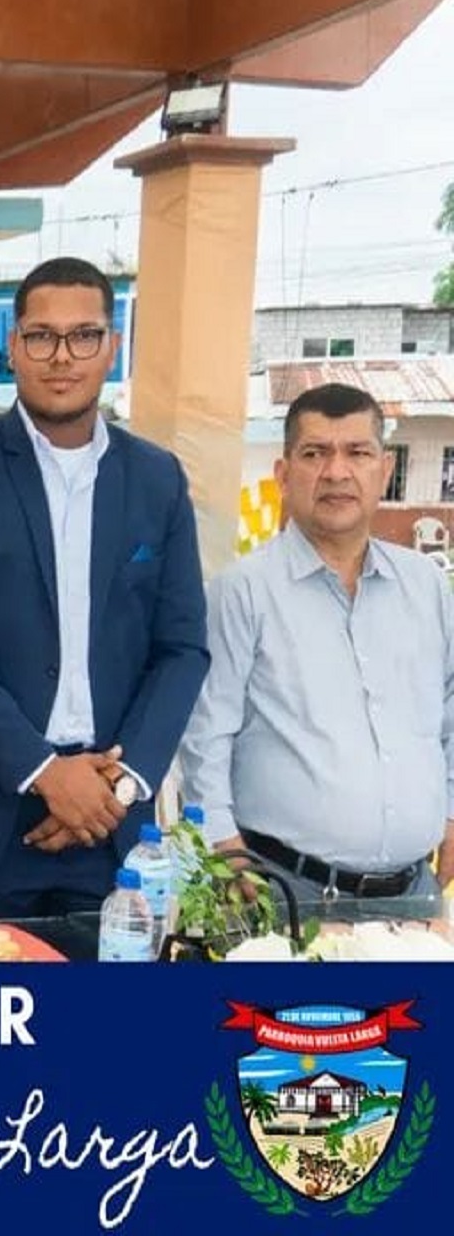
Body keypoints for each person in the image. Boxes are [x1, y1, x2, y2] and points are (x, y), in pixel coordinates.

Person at [0, 257, 209, 920]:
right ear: (13, 347)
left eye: (84, 335)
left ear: (113, 346)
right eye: (41, 336)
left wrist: (118, 785)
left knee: (112, 993)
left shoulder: (157, 479)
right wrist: (45, 773)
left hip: (111, 822)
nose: (63, 356)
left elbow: (182, 648)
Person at [181, 383, 454, 904]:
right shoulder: (243, 592)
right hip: (286, 892)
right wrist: (222, 850)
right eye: (314, 453)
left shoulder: (425, 586)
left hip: (414, 891)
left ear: (384, 471)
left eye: (358, 452)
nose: (336, 472)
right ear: (283, 475)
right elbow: (205, 736)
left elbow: (450, 709)